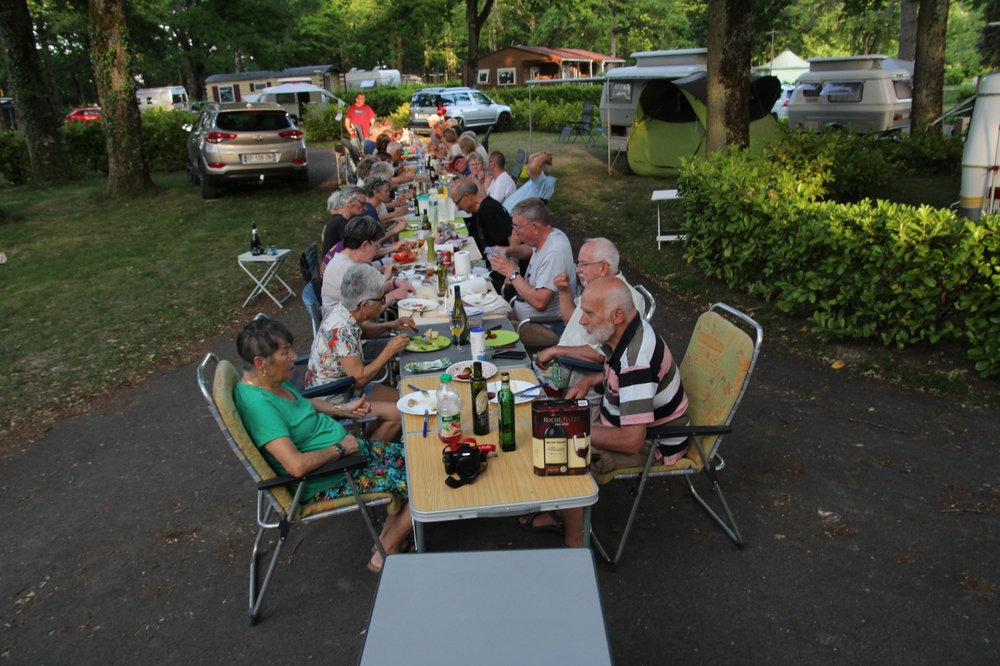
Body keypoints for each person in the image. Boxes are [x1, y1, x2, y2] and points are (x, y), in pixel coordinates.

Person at [518, 278, 689, 547]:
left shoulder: (637, 363)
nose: (582, 321)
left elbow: (631, 442)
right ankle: (561, 506)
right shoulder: (628, 329)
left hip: (650, 441)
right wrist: (590, 381)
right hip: (616, 418)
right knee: (544, 419)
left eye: (588, 313)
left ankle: (575, 540)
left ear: (617, 315)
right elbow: (619, 374)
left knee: (561, 447)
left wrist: (572, 429)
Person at [233, 317, 413, 572]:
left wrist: (343, 409)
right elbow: (296, 466)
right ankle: (385, 554)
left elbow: (303, 404)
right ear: (260, 363)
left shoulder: (270, 382)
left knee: (416, 458)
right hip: (328, 477)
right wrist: (340, 449)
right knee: (419, 478)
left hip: (347, 457)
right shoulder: (260, 408)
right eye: (285, 353)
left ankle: (385, 541)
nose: (294, 356)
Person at [307, 264, 413, 443]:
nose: (383, 302)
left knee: (407, 399)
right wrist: (389, 350)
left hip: (348, 388)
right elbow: (359, 379)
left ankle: (368, 439)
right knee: (399, 413)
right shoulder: (341, 329)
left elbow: (361, 332)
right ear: (364, 305)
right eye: (381, 299)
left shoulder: (345, 311)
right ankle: (371, 458)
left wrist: (390, 325)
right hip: (335, 397)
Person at [535, 238, 646, 384]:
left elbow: (598, 355)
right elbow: (571, 320)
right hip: (561, 368)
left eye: (584, 264)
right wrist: (564, 291)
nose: (577, 269)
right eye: (578, 263)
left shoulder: (623, 300)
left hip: (576, 377)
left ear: (603, 267)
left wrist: (555, 350)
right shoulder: (597, 288)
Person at [486, 198, 576, 346]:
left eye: (517, 227)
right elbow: (530, 249)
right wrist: (508, 250)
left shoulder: (555, 253)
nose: (514, 232)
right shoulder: (550, 235)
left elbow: (540, 303)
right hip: (526, 316)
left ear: (534, 227)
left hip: (546, 326)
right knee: (487, 318)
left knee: (490, 334)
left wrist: (511, 272)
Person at [321, 216, 413, 315]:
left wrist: (393, 283)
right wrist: (394, 294)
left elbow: (367, 292)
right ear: (364, 245)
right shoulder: (346, 268)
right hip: (344, 327)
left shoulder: (346, 260)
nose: (377, 250)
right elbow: (370, 310)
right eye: (377, 246)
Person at [450, 179, 514, 252]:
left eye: (457, 203)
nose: (458, 208)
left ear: (467, 196)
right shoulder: (483, 208)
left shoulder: (488, 210)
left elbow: (513, 237)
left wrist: (512, 262)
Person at [322, 185, 367, 258]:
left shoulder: (337, 221)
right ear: (350, 202)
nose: (365, 208)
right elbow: (358, 252)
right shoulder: (341, 223)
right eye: (363, 204)